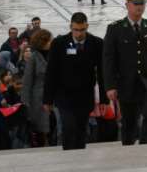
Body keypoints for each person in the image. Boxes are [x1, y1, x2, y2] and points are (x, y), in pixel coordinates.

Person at [103, 0, 147, 145]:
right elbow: (108, 60)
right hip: (127, 83)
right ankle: (129, 150)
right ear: (127, 5)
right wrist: (110, 86)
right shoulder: (115, 28)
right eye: (135, 3)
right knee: (129, 122)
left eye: (142, 3)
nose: (139, 7)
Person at [44, 12, 104, 150]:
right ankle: (69, 156)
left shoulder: (96, 43)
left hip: (85, 95)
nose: (79, 34)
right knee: (68, 126)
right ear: (71, 27)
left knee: (81, 130)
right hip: (64, 95)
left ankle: (79, 157)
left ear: (87, 26)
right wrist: (47, 99)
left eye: (82, 30)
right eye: (76, 30)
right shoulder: (59, 43)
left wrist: (104, 99)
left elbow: (102, 72)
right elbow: (51, 72)